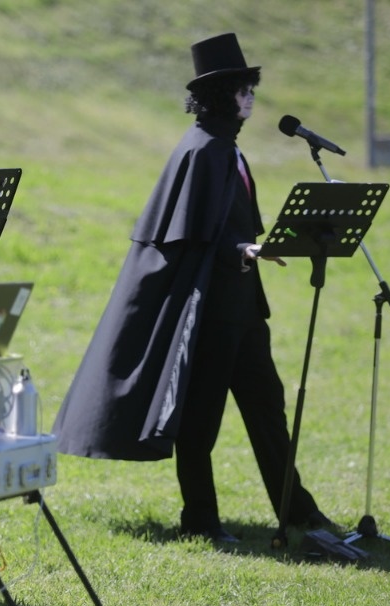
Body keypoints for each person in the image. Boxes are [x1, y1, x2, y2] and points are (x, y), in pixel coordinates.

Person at [53, 33, 333, 542]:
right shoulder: (202, 150)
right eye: (240, 88)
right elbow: (195, 236)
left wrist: (256, 246)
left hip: (244, 308)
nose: (249, 96)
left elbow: (226, 222)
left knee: (268, 412)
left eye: (251, 87)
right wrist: (242, 250)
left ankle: (298, 512)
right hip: (207, 313)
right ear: (216, 94)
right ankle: (200, 521)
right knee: (200, 423)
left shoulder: (227, 148)